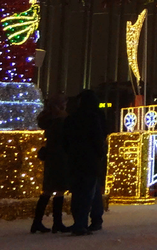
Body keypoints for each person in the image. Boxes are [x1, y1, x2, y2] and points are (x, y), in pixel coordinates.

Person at [63, 89, 108, 235]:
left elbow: (65, 140)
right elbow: (99, 137)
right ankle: (91, 221)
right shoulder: (95, 117)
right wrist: (100, 154)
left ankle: (80, 222)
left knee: (79, 192)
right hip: (91, 160)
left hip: (75, 159)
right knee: (90, 191)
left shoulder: (72, 118)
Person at [30, 93, 70, 233]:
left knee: (47, 190)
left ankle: (37, 222)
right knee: (59, 190)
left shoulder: (48, 120)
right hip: (60, 157)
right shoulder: (61, 120)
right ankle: (57, 223)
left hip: (51, 157)